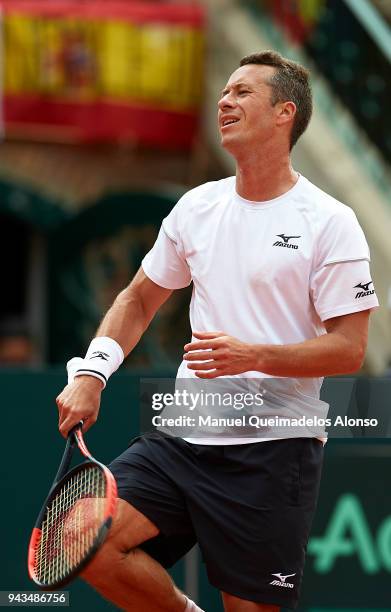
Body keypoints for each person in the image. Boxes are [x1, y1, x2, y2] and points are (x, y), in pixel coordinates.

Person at [56, 50, 379, 611]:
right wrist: (92, 372)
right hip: (185, 436)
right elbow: (136, 299)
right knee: (85, 542)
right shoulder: (195, 208)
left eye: (243, 92)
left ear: (285, 113)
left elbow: (349, 350)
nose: (225, 101)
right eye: (224, 91)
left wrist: (252, 355)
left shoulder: (331, 222)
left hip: (273, 450)